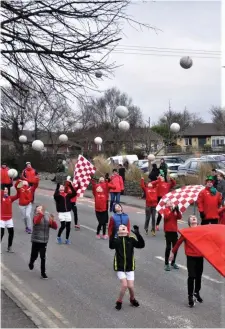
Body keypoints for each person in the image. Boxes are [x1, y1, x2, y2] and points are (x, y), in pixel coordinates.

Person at [170, 215, 204, 308]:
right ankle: (190, 296)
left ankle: (196, 292)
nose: (193, 217)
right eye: (191, 217)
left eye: (195, 217)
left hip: (200, 256)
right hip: (191, 257)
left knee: (199, 276)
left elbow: (209, 240)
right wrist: (172, 253)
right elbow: (178, 243)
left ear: (197, 221)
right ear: (189, 222)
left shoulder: (202, 230)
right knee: (192, 276)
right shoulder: (186, 232)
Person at [109, 224, 145, 310]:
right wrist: (112, 234)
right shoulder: (117, 240)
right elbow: (111, 246)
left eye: (124, 228)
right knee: (124, 285)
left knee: (131, 287)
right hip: (120, 267)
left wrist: (138, 234)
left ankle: (132, 299)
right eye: (121, 228)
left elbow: (141, 245)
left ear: (127, 231)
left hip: (129, 267)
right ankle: (119, 301)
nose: (123, 229)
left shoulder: (131, 239)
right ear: (119, 232)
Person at [29, 205, 57, 279]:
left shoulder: (46, 217)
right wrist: (41, 214)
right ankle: (31, 262)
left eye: (41, 208)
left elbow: (55, 227)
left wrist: (52, 220)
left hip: (44, 241)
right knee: (34, 255)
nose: (40, 209)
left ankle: (43, 273)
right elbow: (37, 221)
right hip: (36, 240)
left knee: (43, 257)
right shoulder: (35, 217)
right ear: (36, 210)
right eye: (38, 208)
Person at [160, 200, 182, 271]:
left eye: (171, 202)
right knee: (168, 247)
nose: (170, 203)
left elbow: (179, 217)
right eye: (168, 202)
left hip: (174, 231)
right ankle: (166, 263)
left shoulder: (174, 210)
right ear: (166, 205)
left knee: (175, 248)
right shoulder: (165, 210)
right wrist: (172, 211)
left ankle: (173, 262)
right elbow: (167, 218)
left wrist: (177, 211)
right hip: (168, 231)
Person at [1, 187, 19, 253]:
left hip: (9, 219)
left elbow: (18, 195)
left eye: (6, 189)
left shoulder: (10, 198)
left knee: (11, 233)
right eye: (4, 189)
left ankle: (9, 247)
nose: (5, 190)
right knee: (1, 234)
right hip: (1, 219)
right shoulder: (1, 198)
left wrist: (18, 188)